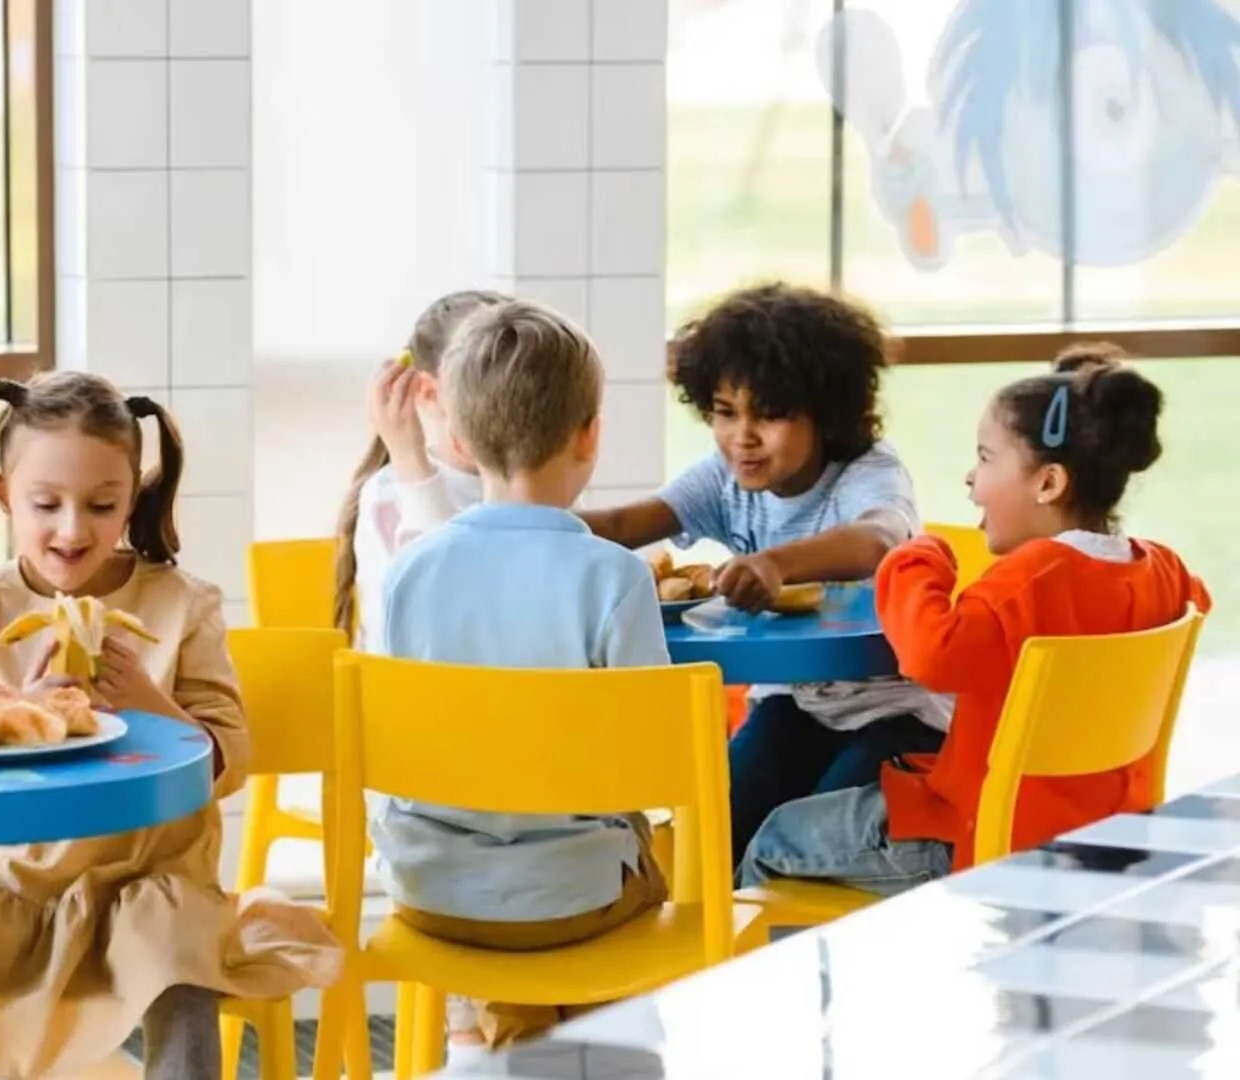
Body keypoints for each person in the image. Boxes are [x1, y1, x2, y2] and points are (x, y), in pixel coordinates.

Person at [0, 372, 341, 1079]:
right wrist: (24, 711)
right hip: (12, 889)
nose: (73, 529)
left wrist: (148, 703)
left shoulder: (182, 604)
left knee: (182, 991)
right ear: (2, 494)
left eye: (102, 504)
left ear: (132, 498)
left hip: (152, 887)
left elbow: (228, 755)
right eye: (45, 504)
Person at [740, 345, 1211, 892]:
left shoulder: (1028, 581)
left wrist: (917, 556)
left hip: (982, 833)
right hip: (1103, 826)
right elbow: (1194, 601)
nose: (970, 477)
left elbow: (931, 655)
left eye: (986, 458)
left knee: (775, 834)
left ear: (1049, 483)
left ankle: (747, 977)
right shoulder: (1165, 569)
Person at [374, 300, 671, 1052]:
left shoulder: (410, 574)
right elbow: (655, 773)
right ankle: (587, 1055)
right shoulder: (614, 578)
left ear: (463, 441)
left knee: (527, 884)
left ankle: (512, 1043)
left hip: (431, 889)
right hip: (576, 897)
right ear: (589, 434)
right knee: (626, 865)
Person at [583, 282, 947, 866]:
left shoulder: (866, 473)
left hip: (898, 715)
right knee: (715, 833)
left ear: (826, 414)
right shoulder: (723, 479)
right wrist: (519, 520)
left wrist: (777, 562)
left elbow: (879, 538)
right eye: (725, 413)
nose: (742, 437)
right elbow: (625, 522)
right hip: (792, 704)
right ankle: (723, 953)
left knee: (812, 842)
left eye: (770, 415)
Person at [332, 289, 507, 648]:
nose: (512, 398)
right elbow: (445, 608)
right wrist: (411, 462)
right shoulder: (389, 494)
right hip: (413, 693)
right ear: (429, 394)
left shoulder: (543, 479)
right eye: (488, 378)